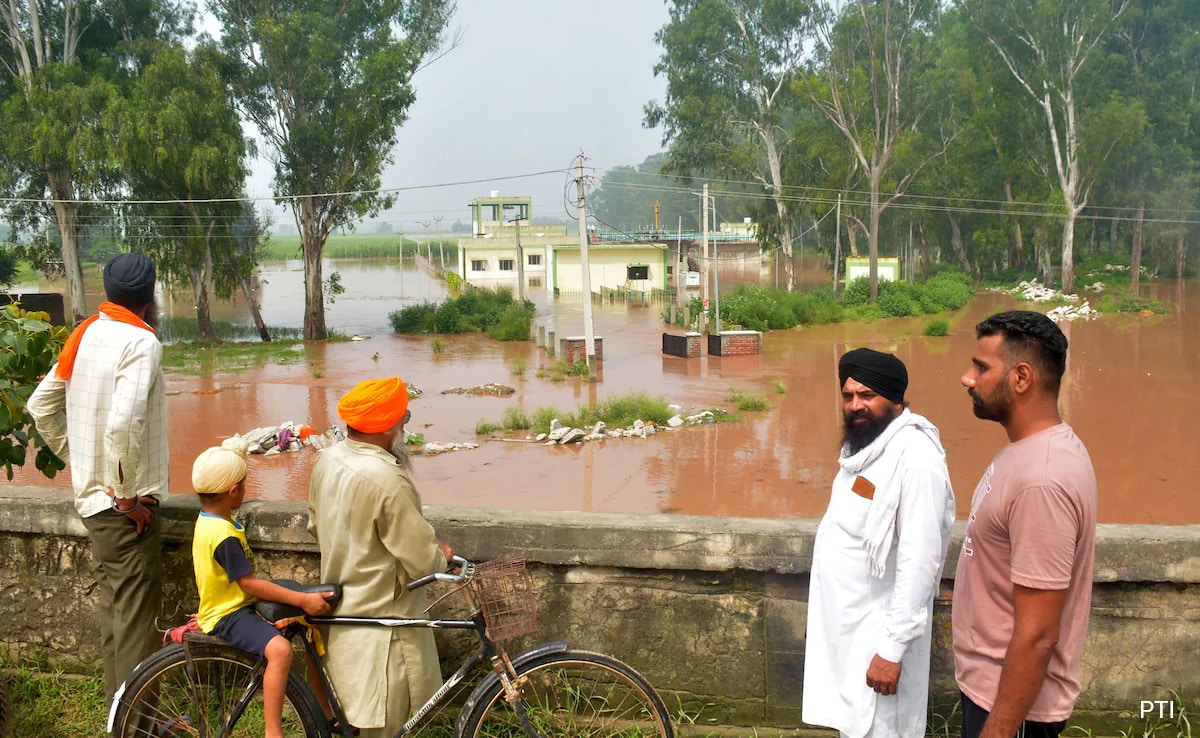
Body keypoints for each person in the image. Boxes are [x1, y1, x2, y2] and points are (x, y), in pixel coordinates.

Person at [26, 252, 168, 705]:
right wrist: (125, 498)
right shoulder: (141, 343)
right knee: (135, 628)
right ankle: (136, 725)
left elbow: (39, 406)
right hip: (121, 511)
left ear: (110, 293)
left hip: (93, 503)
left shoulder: (85, 333)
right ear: (150, 298)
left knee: (117, 617)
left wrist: (81, 461)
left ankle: (117, 714)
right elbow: (124, 426)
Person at [954, 311, 1097, 738]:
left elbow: (1037, 634)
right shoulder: (1029, 450)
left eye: (981, 367)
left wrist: (998, 730)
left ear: (1021, 378)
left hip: (1012, 710)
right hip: (991, 692)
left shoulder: (1043, 480)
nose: (968, 378)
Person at [803, 347, 956, 738]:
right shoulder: (864, 446)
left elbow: (920, 561)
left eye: (867, 395)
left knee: (884, 729)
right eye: (848, 395)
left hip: (881, 644)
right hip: (850, 638)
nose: (856, 405)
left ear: (895, 399)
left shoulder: (917, 458)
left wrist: (891, 651)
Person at [308, 377, 454, 738]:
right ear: (388, 425)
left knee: (349, 718)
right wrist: (442, 556)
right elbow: (422, 560)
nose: (406, 424)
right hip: (383, 631)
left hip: (342, 615)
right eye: (404, 417)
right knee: (383, 726)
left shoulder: (328, 458)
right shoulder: (388, 479)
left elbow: (315, 525)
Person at [191, 437, 333, 738]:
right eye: (243, 484)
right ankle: (273, 731)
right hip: (228, 614)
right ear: (233, 491)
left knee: (309, 625)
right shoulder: (223, 535)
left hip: (237, 604)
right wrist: (301, 599)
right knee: (280, 651)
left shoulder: (211, 519)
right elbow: (251, 585)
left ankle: (324, 706)